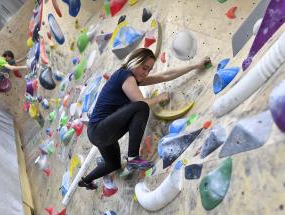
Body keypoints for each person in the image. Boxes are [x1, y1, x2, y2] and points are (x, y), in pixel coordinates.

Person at [78, 48, 211, 190]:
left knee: (113, 164)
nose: (146, 72)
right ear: (135, 61)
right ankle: (133, 158)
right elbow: (141, 102)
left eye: (149, 69)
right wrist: (159, 97)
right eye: (144, 67)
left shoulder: (133, 79)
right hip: (100, 130)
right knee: (141, 107)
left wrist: (195, 66)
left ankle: (86, 181)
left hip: (101, 135)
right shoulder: (125, 75)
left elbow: (165, 75)